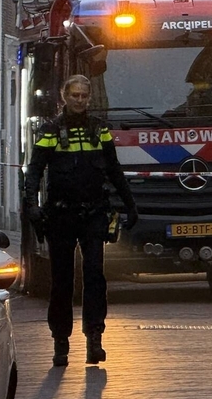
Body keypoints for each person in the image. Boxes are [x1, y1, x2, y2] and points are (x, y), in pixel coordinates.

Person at [23, 74, 139, 367]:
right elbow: (35, 171)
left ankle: (94, 340)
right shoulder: (50, 131)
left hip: (93, 213)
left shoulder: (99, 130)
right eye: (74, 95)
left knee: (95, 276)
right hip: (60, 215)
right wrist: (30, 206)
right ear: (64, 96)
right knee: (62, 280)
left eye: (83, 96)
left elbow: (114, 170)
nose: (79, 100)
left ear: (89, 98)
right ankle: (60, 342)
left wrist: (130, 205)